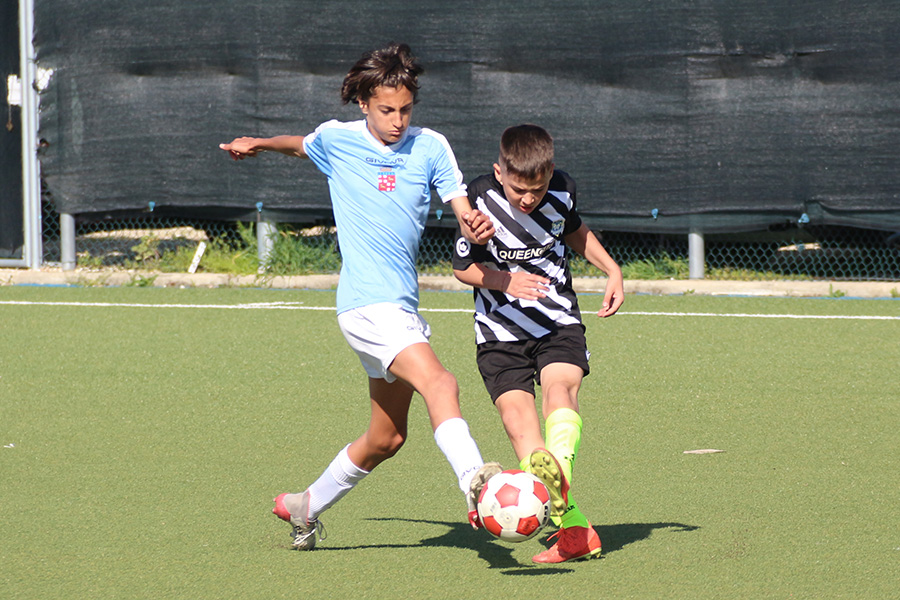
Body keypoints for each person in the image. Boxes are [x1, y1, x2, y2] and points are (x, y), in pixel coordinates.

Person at [220, 42, 501, 550]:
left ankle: (304, 504)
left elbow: (460, 205)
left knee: (387, 437)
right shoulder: (337, 139)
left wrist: (472, 222)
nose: (397, 120)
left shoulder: (431, 146)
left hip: (399, 304)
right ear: (363, 103)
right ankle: (476, 484)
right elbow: (299, 145)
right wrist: (259, 143)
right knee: (441, 382)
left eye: (405, 109)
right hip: (367, 304)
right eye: (386, 110)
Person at [452, 124, 624, 563]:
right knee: (519, 424)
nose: (529, 199)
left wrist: (612, 270)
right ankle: (575, 531)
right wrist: (506, 281)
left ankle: (558, 471)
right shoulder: (478, 199)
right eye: (519, 190)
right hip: (499, 332)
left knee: (559, 390)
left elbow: (574, 231)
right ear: (499, 172)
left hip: (556, 320)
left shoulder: (562, 190)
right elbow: (462, 268)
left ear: (550, 174)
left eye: (538, 189)